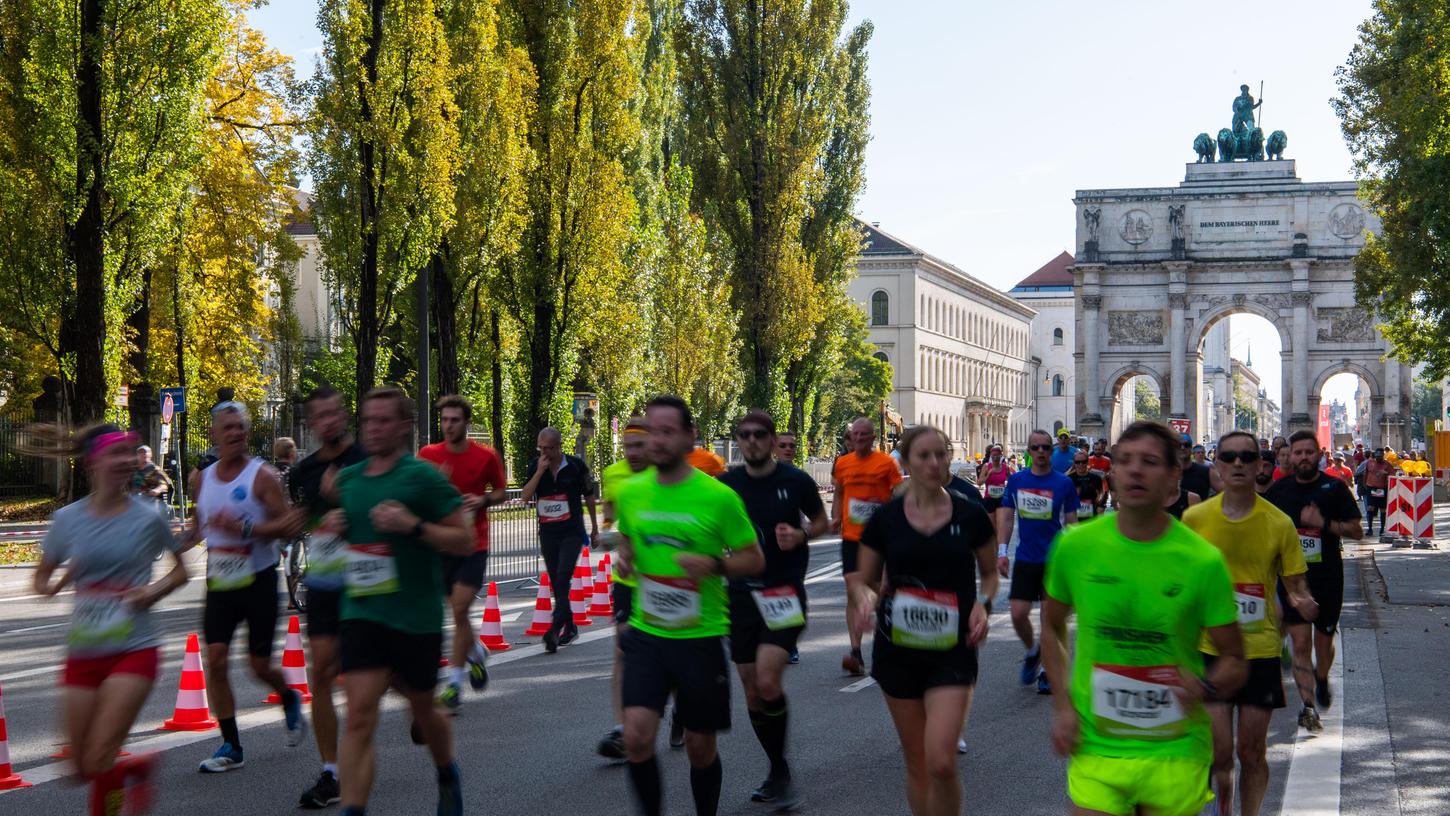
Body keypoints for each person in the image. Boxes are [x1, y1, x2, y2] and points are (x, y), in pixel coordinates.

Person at [1040, 421, 1247, 816]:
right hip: (1098, 745)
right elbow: (1050, 627)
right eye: (1124, 461)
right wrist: (1064, 707)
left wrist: (1202, 686)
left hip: (1175, 748)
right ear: (1112, 474)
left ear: (1173, 479)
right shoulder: (1075, 547)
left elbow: (1235, 659)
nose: (1135, 470)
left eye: (1149, 461)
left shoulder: (1202, 561)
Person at [615, 395, 765, 816]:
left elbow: (754, 558)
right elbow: (628, 539)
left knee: (701, 748)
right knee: (638, 737)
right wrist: (626, 556)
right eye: (651, 431)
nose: (656, 441)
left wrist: (715, 564)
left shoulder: (718, 497)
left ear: (689, 437)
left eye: (666, 432)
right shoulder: (632, 492)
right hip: (648, 633)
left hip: (699, 637)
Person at [331, 387, 475, 816]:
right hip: (363, 613)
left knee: (424, 713)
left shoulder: (424, 478)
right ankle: (353, 809)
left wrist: (412, 524)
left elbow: (464, 539)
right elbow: (353, 537)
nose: (373, 428)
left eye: (382, 420)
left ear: (403, 425)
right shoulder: (349, 480)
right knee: (358, 715)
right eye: (367, 421)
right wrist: (340, 527)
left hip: (415, 617)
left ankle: (446, 771)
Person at [33, 425, 189, 815]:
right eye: (115, 454)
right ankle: (136, 766)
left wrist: (151, 592)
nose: (124, 461)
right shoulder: (67, 519)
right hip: (84, 651)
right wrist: (65, 578)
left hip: (134, 649)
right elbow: (41, 581)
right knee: (80, 768)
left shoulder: (149, 516)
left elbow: (180, 571)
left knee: (101, 755)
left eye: (129, 453)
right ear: (93, 461)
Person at [855, 426, 997, 816]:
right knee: (918, 762)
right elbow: (865, 578)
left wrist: (982, 604)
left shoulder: (970, 513)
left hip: (952, 648)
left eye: (942, 454)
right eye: (924, 456)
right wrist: (868, 600)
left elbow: (988, 574)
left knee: (942, 760)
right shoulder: (886, 519)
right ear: (906, 461)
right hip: (899, 649)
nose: (935, 464)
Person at [1183, 431, 1318, 816]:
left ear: (1262, 465)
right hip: (1208, 648)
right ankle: (1223, 808)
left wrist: (1302, 598)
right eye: (1229, 457)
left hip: (1258, 650)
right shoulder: (1194, 519)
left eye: (1248, 456)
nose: (1239, 463)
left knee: (1252, 751)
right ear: (1218, 465)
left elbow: (1294, 582)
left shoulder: (1279, 523)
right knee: (1220, 750)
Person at [183, 401, 307, 773]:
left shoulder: (262, 476)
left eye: (241, 427)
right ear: (215, 435)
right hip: (220, 581)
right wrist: (172, 542)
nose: (236, 432)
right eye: (228, 427)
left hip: (258, 579)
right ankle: (231, 745)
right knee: (216, 660)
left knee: (258, 665)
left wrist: (247, 529)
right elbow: (197, 528)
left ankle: (288, 694)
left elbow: (290, 526)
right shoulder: (201, 480)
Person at [719, 410, 828, 810]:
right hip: (740, 597)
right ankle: (777, 766)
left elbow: (823, 522)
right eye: (744, 435)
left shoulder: (795, 480)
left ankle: (779, 772)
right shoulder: (727, 484)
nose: (752, 441)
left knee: (767, 681)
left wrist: (801, 533)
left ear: (770, 438)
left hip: (783, 593)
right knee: (751, 689)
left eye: (759, 435)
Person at [288, 385, 368, 808]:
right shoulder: (302, 473)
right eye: (321, 416)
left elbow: (381, 518)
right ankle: (331, 772)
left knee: (364, 678)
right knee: (321, 675)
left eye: (335, 412)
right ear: (311, 423)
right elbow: (301, 521)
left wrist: (348, 509)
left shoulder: (365, 460)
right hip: (322, 583)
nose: (329, 421)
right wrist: (295, 521)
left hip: (365, 583)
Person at [1265, 430, 1364, 731]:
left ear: (1319, 455)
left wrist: (1324, 524)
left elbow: (1357, 531)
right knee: (1299, 643)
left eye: (1309, 452)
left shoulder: (1334, 488)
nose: (1304, 457)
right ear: (1290, 456)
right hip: (1292, 579)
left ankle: (1322, 676)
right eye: (1298, 453)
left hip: (1328, 578)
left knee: (1323, 644)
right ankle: (1308, 706)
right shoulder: (1278, 492)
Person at [418, 395, 508, 712]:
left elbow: (500, 490)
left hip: (474, 544)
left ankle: (454, 686)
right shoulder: (428, 455)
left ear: (466, 422)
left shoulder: (486, 456)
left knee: (458, 610)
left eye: (455, 420)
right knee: (457, 614)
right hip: (441, 546)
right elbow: (416, 495)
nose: (448, 425)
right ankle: (476, 653)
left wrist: (482, 501)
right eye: (444, 419)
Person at [996, 429, 1078, 694]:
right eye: (1036, 448)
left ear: (1051, 451)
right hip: (1026, 558)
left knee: (1048, 619)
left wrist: (1074, 558)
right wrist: (1001, 552)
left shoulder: (1063, 484)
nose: (1041, 452)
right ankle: (1033, 652)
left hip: (1054, 561)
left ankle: (1046, 672)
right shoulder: (1017, 480)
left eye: (1046, 447)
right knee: (1018, 614)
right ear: (1029, 452)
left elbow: (1072, 523)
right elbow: (1007, 518)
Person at [595, 416, 654, 760]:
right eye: (627, 446)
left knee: (665, 654)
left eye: (639, 445)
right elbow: (609, 520)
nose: (632, 453)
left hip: (662, 581)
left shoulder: (663, 477)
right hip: (627, 580)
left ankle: (674, 708)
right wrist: (608, 535)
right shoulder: (614, 475)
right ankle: (621, 730)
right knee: (623, 651)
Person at [831, 417, 903, 675]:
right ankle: (856, 652)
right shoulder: (842, 463)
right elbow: (839, 491)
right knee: (853, 588)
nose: (859, 439)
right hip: (851, 537)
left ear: (873, 438)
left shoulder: (886, 463)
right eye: (855, 435)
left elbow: (898, 492)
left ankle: (888, 626)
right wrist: (836, 515)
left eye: (864, 435)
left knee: (878, 590)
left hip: (878, 539)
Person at [520, 426, 599, 653]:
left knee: (564, 576)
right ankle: (571, 626)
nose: (544, 452)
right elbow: (525, 497)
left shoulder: (575, 466)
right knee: (557, 582)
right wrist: (538, 472)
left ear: (558, 446)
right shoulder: (536, 466)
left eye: (549, 448)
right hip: (548, 532)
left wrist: (594, 528)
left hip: (572, 531)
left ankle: (554, 629)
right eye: (541, 448)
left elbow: (590, 497)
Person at [131, 444, 173, 512]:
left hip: (150, 501)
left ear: (150, 455)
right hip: (134, 501)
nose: (143, 455)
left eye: (145, 452)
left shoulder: (154, 470)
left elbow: (164, 484)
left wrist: (157, 490)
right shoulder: (133, 470)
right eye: (140, 453)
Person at [976, 444, 1012, 516]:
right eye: (993, 456)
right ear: (990, 456)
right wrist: (988, 475)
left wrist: (1006, 488)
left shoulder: (1006, 467)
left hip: (1001, 499)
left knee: (1000, 524)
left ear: (1001, 456)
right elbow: (979, 483)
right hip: (989, 499)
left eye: (997, 455)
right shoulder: (986, 466)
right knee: (992, 525)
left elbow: (1011, 481)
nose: (995, 458)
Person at [1067, 452, 1105, 520]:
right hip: (1074, 517)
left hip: (1092, 518)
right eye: (1077, 462)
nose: (1080, 464)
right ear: (1074, 463)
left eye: (1083, 462)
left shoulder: (1096, 478)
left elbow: (1102, 496)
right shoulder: (1068, 479)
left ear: (1088, 462)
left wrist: (1101, 508)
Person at [1362, 448, 1391, 536]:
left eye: (1381, 456)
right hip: (1371, 488)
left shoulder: (1387, 464)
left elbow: (1392, 474)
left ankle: (1382, 529)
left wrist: (1385, 473)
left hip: (1382, 488)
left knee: (1382, 509)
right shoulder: (1370, 463)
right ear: (1375, 456)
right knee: (1370, 507)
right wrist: (1365, 486)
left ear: (1383, 456)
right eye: (1377, 456)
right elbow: (1365, 474)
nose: (1379, 458)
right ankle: (1370, 529)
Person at [1180, 435, 1215, 499]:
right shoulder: (1167, 472)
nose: (1182, 448)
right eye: (1178, 445)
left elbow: (1225, 492)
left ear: (1191, 449)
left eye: (1186, 445)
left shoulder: (1207, 470)